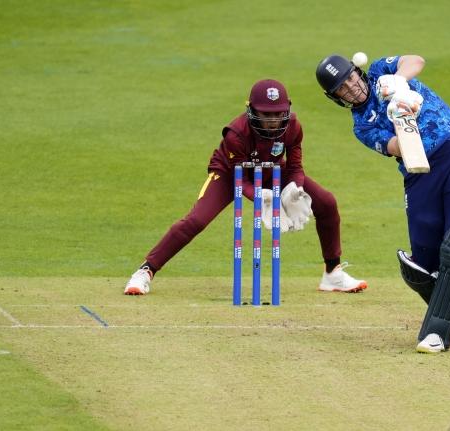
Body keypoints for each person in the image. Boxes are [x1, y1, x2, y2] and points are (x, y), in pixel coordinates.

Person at [124, 79, 367, 297]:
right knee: (196, 220)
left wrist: (295, 191)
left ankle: (333, 273)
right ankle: (146, 270)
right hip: (229, 173)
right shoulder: (236, 134)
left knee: (326, 202)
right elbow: (242, 180)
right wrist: (263, 199)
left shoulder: (293, 127)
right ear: (251, 110)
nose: (273, 120)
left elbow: (295, 167)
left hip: (271, 168)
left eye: (278, 114)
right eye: (266, 114)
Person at [315, 54, 450, 353]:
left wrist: (399, 82)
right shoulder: (362, 127)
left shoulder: (381, 70)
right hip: (419, 171)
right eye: (342, 87)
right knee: (420, 267)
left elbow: (415, 60)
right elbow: (396, 147)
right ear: (336, 97)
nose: (351, 87)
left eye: (351, 78)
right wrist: (400, 116)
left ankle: (436, 334)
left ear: (358, 72)